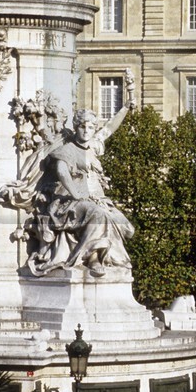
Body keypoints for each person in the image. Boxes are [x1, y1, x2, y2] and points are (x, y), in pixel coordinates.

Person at [27, 108, 135, 276]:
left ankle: (111, 259)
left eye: (90, 127)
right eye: (82, 126)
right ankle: (93, 258)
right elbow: (62, 171)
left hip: (97, 200)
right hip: (69, 202)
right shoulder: (68, 149)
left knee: (126, 226)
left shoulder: (93, 147)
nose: (86, 130)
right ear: (76, 127)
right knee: (97, 215)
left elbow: (109, 128)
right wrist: (76, 194)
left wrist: (126, 107)